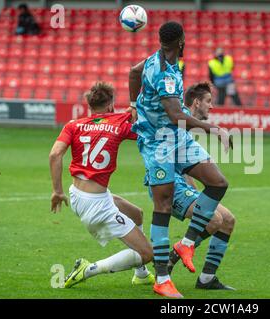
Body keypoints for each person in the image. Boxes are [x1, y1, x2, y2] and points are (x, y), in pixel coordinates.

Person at [128, 21, 232, 298]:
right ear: (181, 41)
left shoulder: (154, 60)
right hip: (158, 144)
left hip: (176, 140)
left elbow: (133, 72)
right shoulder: (166, 73)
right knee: (162, 205)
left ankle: (186, 243)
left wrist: (132, 106)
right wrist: (214, 129)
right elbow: (176, 116)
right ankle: (162, 279)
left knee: (218, 183)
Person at [48, 82, 154, 288]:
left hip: (77, 194)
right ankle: (87, 269)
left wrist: (57, 191)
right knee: (147, 253)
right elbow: (143, 128)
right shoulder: (118, 124)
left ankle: (141, 274)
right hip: (96, 205)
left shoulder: (73, 125)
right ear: (110, 106)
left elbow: (55, 154)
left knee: (137, 214)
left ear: (90, 106)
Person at [136, 82, 236, 290]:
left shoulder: (185, 132)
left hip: (183, 186)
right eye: (208, 101)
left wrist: (200, 196)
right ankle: (172, 255)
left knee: (227, 220)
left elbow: (187, 164)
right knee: (214, 220)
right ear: (196, 102)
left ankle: (207, 278)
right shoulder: (177, 116)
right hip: (168, 187)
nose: (212, 106)